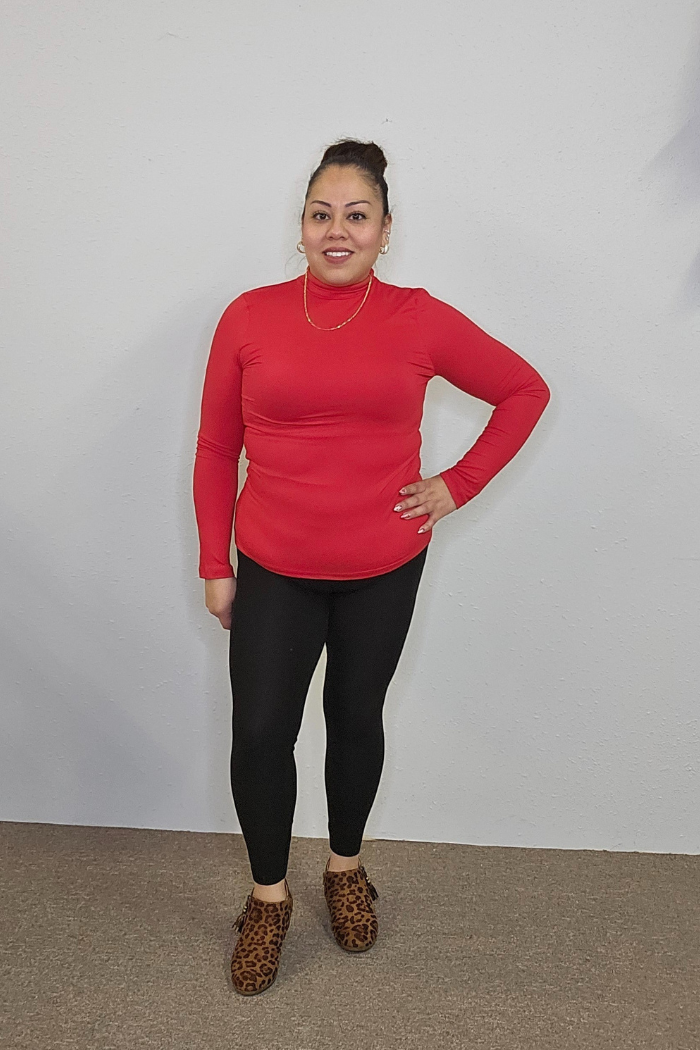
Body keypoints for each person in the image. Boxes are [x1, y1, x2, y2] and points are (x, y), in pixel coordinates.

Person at [192, 138, 551, 995]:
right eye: (322, 214)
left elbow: (524, 389)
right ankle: (268, 898)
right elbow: (215, 448)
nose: (338, 231)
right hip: (274, 564)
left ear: (386, 230)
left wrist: (457, 485)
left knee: (356, 718)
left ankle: (345, 867)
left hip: (383, 566)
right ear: (301, 226)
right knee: (260, 733)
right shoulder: (249, 316)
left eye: (357, 216)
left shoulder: (419, 319)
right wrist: (215, 561)